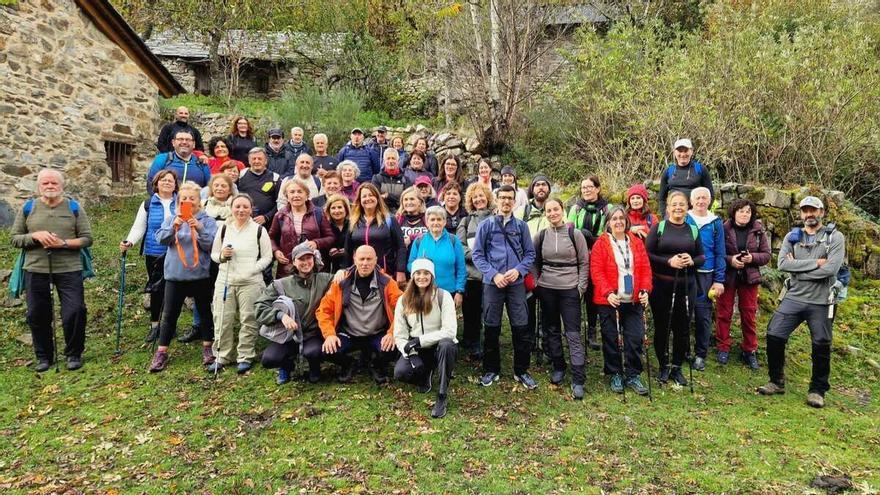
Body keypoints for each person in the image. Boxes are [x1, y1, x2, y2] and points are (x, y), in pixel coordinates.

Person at [758, 196, 845, 409]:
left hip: (822, 300)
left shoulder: (835, 237)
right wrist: (815, 263)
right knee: (775, 334)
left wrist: (797, 267)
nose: (809, 215)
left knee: (821, 343)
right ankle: (776, 381)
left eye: (813, 211)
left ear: (822, 212)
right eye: (805, 211)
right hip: (794, 297)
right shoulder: (793, 236)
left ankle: (817, 389)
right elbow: (781, 265)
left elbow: (831, 269)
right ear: (801, 213)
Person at [11, 169, 93, 372]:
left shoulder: (74, 208)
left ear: (61, 186)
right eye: (45, 183)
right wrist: (35, 236)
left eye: (54, 183)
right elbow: (15, 238)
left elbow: (86, 238)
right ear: (39, 186)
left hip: (69, 268)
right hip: (35, 267)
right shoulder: (29, 208)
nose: (49, 186)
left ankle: (74, 353)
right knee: (37, 313)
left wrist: (62, 243)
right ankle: (43, 356)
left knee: (75, 310)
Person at [147, 181, 218, 372]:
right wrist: (174, 227)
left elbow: (211, 245)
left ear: (199, 201)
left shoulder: (208, 220)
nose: (188, 201)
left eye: (192, 198)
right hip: (175, 275)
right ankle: (161, 352)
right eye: (184, 198)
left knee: (204, 312)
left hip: (200, 275)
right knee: (169, 314)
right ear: (179, 201)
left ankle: (207, 348)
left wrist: (200, 228)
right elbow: (160, 238)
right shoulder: (172, 218)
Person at [472, 185, 537, 389]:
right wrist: (493, 274)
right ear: (497, 200)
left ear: (514, 201)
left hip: (516, 283)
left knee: (520, 325)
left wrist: (518, 270)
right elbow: (477, 255)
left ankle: (521, 370)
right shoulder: (486, 226)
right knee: (491, 325)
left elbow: (530, 254)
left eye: (510, 198)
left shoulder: (521, 227)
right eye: (503, 198)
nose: (506, 201)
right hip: (493, 283)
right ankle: (491, 369)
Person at [208, 194, 274, 374]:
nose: (241, 210)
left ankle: (245, 355)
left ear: (251, 209)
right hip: (225, 280)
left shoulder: (259, 230)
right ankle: (222, 355)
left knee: (248, 319)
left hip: (251, 282)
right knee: (222, 318)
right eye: (237, 206)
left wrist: (254, 269)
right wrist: (222, 256)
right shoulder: (223, 229)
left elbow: (268, 256)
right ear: (231, 208)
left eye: (245, 207)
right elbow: (214, 254)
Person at [531, 198, 590, 399]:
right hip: (547, 288)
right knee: (552, 330)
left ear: (562, 211)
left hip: (570, 289)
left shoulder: (576, 235)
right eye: (549, 210)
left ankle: (578, 378)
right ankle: (558, 366)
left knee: (573, 333)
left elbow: (584, 262)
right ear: (545, 213)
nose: (552, 213)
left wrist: (581, 287)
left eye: (556, 209)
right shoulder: (541, 235)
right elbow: (534, 261)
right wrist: (537, 283)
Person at [591, 206, 653, 396]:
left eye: (621, 218)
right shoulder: (601, 243)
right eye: (614, 219)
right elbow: (596, 271)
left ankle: (633, 373)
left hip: (633, 299)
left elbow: (644, 268)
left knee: (635, 337)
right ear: (608, 223)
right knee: (611, 338)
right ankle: (615, 372)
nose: (618, 222)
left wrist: (645, 290)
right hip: (610, 300)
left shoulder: (636, 242)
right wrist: (608, 292)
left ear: (626, 221)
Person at [317, 245, 403, 383]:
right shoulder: (341, 282)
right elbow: (324, 310)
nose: (365, 263)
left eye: (369, 259)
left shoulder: (387, 282)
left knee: (392, 348)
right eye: (361, 259)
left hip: (377, 332)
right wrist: (330, 335)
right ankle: (348, 363)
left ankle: (376, 365)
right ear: (354, 259)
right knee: (328, 350)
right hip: (349, 333)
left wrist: (391, 333)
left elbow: (402, 308)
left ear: (376, 260)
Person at [645, 191, 705, 386]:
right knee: (662, 326)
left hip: (686, 287)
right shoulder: (658, 228)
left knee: (682, 328)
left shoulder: (692, 230)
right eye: (674, 204)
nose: (678, 208)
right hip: (662, 286)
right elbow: (648, 255)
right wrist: (668, 261)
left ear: (687, 207)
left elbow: (702, 257)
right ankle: (663, 365)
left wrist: (691, 260)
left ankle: (677, 367)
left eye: (682, 204)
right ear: (668, 207)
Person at [255, 243, 334, 384]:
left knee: (313, 352)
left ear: (314, 260)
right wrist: (280, 315)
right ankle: (287, 366)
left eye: (309, 258)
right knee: (269, 359)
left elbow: (348, 278)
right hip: (288, 336)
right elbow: (259, 307)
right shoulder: (280, 284)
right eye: (301, 259)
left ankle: (314, 366)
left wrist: (341, 273)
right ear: (294, 262)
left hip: (312, 335)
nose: (305, 263)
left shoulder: (324, 279)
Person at [393, 258, 458, 418]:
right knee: (400, 373)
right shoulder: (403, 300)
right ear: (413, 276)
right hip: (418, 349)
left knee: (447, 345)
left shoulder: (443, 296)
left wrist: (420, 340)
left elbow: (450, 331)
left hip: (438, 345)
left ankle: (442, 394)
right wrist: (412, 354)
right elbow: (399, 335)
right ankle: (425, 373)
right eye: (418, 273)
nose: (422, 277)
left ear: (432, 276)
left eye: (426, 273)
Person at [121, 170, 178, 343]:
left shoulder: (182, 202)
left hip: (176, 252)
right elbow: (139, 227)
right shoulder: (148, 204)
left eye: (170, 181)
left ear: (176, 185)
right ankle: (155, 326)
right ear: (156, 183)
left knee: (173, 291)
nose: (167, 183)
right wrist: (129, 242)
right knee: (156, 290)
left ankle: (170, 326)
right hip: (155, 252)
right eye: (163, 180)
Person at [715, 199, 771, 368]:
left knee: (749, 314)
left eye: (747, 211)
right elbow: (717, 252)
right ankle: (723, 347)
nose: (744, 214)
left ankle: (749, 350)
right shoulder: (724, 229)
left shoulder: (758, 231)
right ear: (734, 212)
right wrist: (731, 260)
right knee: (724, 313)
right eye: (741, 211)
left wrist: (752, 258)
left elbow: (766, 255)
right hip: (728, 275)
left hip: (749, 277)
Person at [686, 187, 726, 371]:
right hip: (686, 272)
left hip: (706, 274)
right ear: (691, 200)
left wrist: (719, 280)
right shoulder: (684, 218)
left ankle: (700, 354)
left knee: (703, 317)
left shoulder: (715, 222)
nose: (701, 201)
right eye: (698, 198)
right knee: (683, 313)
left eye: (704, 198)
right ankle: (684, 350)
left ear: (709, 201)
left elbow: (720, 252)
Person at [567, 175, 609, 350]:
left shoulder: (607, 209)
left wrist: (591, 239)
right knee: (575, 293)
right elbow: (569, 230)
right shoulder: (576, 208)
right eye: (583, 187)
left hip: (598, 255)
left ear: (598, 188)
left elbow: (608, 233)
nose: (586, 190)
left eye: (590, 187)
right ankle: (573, 329)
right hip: (578, 255)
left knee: (592, 295)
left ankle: (592, 330)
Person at [457, 182, 495, 360]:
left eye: (481, 196)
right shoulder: (465, 221)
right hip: (471, 274)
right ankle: (471, 340)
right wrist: (477, 256)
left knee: (487, 311)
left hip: (490, 274)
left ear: (487, 198)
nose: (478, 199)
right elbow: (460, 245)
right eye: (475, 197)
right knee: (470, 311)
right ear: (470, 201)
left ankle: (485, 343)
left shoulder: (496, 218)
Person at [269, 178, 334, 279]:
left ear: (307, 195)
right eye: (292, 192)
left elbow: (330, 237)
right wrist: (276, 251)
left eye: (300, 191)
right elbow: (271, 237)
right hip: (288, 267)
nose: (296, 195)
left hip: (313, 267)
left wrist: (316, 243)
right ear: (287, 196)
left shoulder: (318, 213)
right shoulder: (280, 215)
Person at [343, 183, 407, 283]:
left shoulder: (389, 219)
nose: (368, 198)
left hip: (385, 273)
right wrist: (346, 270)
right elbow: (348, 250)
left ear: (377, 198)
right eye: (364, 196)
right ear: (360, 200)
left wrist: (400, 270)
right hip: (359, 273)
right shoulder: (353, 221)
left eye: (371, 195)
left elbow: (401, 247)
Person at [408, 206, 466, 302]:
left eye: (439, 219)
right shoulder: (419, 240)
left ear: (444, 222)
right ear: (427, 222)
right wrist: (421, 269)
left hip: (448, 292)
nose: (436, 223)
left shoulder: (454, 240)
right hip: (423, 291)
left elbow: (461, 268)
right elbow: (410, 264)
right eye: (432, 219)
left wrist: (459, 291)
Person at [657, 138, 714, 214]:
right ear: (674, 152)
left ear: (691, 151)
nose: (683, 154)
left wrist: (702, 213)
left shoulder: (700, 169)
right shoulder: (668, 171)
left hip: (695, 215)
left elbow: (710, 195)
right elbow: (661, 198)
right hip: (674, 214)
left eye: (686, 151)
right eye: (680, 151)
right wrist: (665, 215)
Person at [146, 130, 210, 195]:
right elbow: (151, 183)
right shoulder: (163, 159)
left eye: (188, 140)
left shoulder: (201, 163)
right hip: (167, 202)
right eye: (180, 139)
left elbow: (209, 187)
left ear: (193, 144)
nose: (184, 142)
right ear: (173, 142)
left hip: (194, 203)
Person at [237, 148, 281, 230]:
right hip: (243, 221)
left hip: (268, 224)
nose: (256, 161)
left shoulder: (275, 178)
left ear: (266, 161)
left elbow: (280, 202)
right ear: (249, 161)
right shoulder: (241, 175)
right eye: (254, 159)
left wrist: (266, 217)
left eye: (260, 159)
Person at [396, 187, 428, 261]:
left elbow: (432, 235)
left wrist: (411, 237)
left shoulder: (427, 218)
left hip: (424, 261)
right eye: (406, 199)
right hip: (402, 262)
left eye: (412, 199)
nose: (409, 202)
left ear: (420, 202)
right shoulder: (397, 219)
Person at [324, 194, 351, 273]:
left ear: (346, 209)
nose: (337, 211)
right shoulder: (325, 226)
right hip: (330, 269)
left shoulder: (353, 225)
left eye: (340, 207)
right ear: (329, 211)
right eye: (333, 208)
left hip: (350, 267)